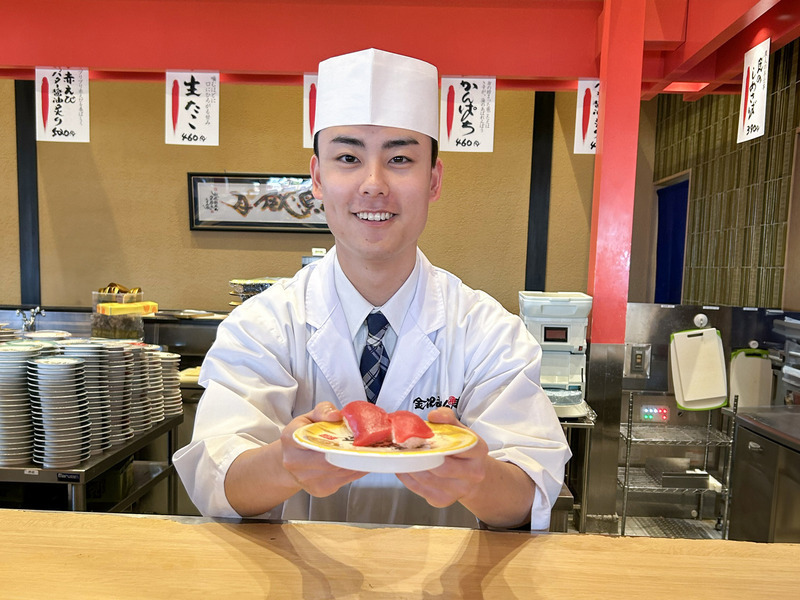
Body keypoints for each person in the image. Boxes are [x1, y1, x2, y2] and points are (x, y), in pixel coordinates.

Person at [174, 48, 570, 530]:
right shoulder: (263, 325)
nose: (373, 184)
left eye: (400, 159)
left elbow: (531, 493)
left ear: (434, 179)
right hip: (298, 570)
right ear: (317, 178)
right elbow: (217, 482)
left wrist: (477, 478)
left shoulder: (488, 332)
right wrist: (284, 464)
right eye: (348, 158)